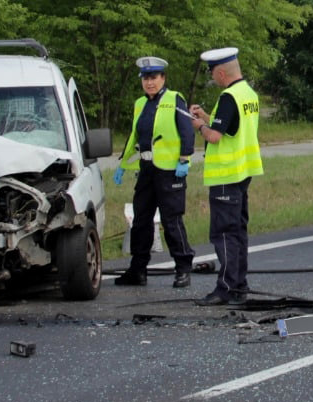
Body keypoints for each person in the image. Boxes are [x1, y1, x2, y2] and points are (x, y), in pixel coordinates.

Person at [188, 47, 263, 306]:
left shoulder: (229, 96)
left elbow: (215, 136)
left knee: (224, 233)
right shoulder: (247, 93)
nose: (213, 78)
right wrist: (207, 117)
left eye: (213, 74)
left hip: (226, 175)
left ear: (221, 73)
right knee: (238, 231)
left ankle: (226, 288)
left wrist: (198, 126)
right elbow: (229, 127)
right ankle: (239, 284)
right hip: (243, 172)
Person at [112, 56, 196, 288]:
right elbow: (134, 136)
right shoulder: (140, 103)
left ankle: (183, 268)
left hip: (170, 171)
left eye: (154, 78)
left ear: (163, 78)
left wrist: (184, 159)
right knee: (141, 221)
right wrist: (123, 163)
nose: (150, 83)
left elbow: (187, 131)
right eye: (146, 78)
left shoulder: (174, 99)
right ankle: (138, 270)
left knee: (171, 221)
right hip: (146, 169)